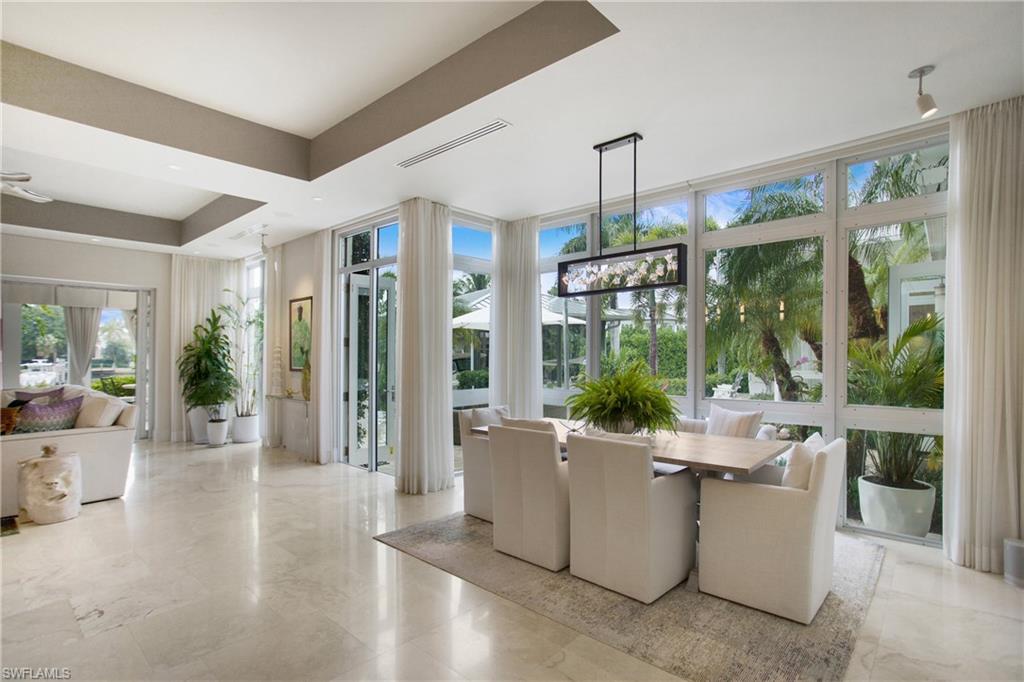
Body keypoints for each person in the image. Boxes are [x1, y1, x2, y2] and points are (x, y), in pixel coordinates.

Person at [291, 304, 311, 368]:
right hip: (294, 353)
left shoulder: (305, 324)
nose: (300, 311)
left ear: (302, 311)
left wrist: (304, 349)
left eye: (301, 309)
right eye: (298, 310)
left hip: (302, 352)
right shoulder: (294, 324)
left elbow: (308, 338)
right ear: (297, 311)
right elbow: (292, 337)